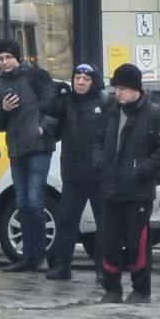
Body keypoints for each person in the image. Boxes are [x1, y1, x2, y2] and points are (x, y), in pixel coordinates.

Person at [93, 63, 160, 304]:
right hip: (110, 189)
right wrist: (100, 163)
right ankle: (111, 288)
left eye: (122, 88)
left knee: (137, 242)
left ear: (136, 89)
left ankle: (141, 289)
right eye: (116, 88)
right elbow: (98, 141)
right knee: (109, 240)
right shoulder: (111, 111)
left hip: (137, 192)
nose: (118, 93)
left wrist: (144, 169)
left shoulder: (154, 114)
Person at [0, 38, 58, 272]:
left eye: (8, 57)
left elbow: (56, 106)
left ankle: (39, 256)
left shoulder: (36, 76)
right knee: (22, 202)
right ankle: (28, 256)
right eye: (0, 58)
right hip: (16, 150)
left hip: (39, 148)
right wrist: (4, 110)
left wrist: (43, 128)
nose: (4, 62)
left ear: (17, 57)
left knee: (34, 199)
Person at [45, 62, 112, 282]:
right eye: (77, 78)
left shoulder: (104, 103)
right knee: (66, 221)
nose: (80, 83)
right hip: (73, 174)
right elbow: (51, 130)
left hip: (98, 174)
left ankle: (104, 269)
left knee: (104, 224)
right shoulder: (67, 102)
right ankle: (62, 265)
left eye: (86, 79)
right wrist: (55, 98)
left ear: (94, 82)